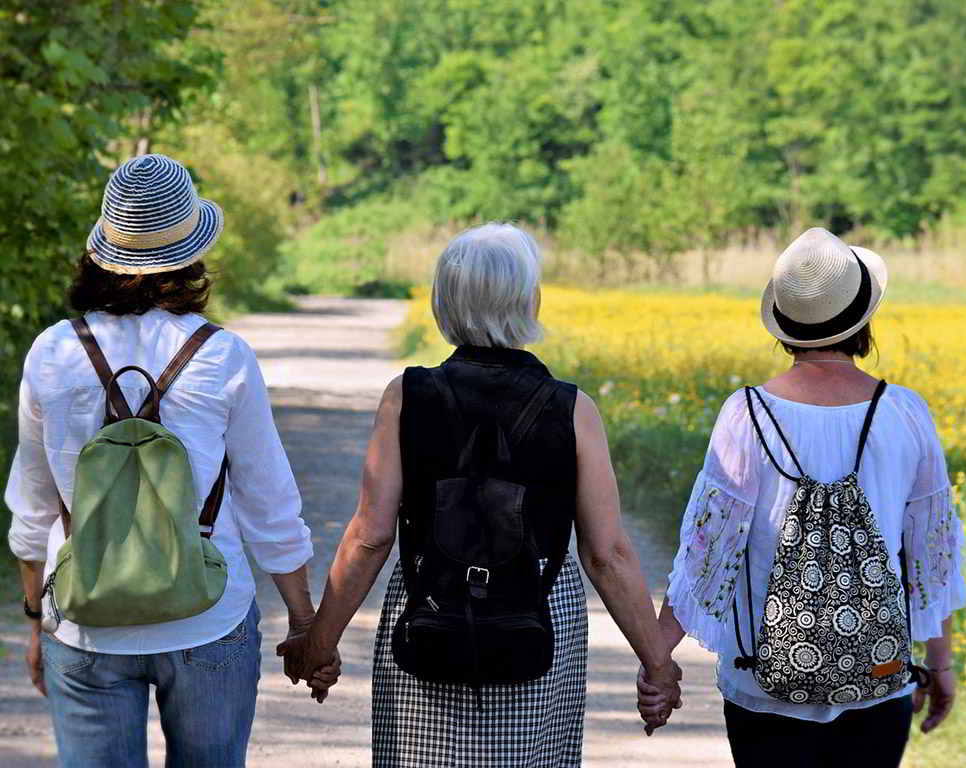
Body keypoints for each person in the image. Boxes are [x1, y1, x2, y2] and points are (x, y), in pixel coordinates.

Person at [277, 222, 681, 767]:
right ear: (530, 302)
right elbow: (606, 553)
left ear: (443, 304)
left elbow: (370, 537)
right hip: (537, 614)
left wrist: (319, 642)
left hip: (429, 603)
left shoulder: (407, 396)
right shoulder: (573, 409)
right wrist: (657, 665)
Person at [6, 154, 336, 768]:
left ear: (102, 251)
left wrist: (35, 621)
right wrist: (303, 621)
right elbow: (268, 502)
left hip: (85, 620)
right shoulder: (223, 356)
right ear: (190, 255)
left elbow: (32, 506)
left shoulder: (52, 352)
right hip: (208, 613)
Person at [639, 228, 966, 767]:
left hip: (762, 683)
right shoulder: (906, 413)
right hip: (878, 677)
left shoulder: (745, 414)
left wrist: (658, 660)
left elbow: (707, 556)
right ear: (864, 319)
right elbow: (933, 556)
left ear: (785, 326)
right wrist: (942, 662)